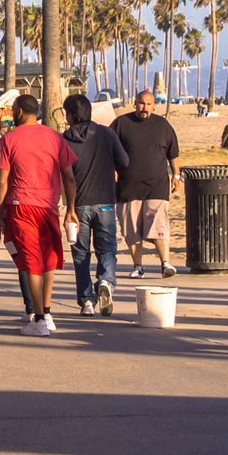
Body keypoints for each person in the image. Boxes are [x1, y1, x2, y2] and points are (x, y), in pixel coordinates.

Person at [0, 94, 76, 336]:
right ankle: (46, 314)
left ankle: (38, 320)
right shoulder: (55, 138)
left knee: (31, 261)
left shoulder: (8, 139)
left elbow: (1, 183)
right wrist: (70, 210)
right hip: (49, 206)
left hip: (21, 206)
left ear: (19, 112)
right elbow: (69, 177)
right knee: (48, 258)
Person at [62, 92, 124, 318]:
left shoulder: (64, 139)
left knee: (80, 254)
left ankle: (87, 302)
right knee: (106, 247)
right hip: (105, 201)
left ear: (70, 115)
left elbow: (63, 174)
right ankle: (106, 281)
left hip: (77, 205)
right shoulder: (106, 133)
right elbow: (124, 161)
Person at [112, 90, 181, 278]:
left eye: (148, 104)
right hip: (127, 186)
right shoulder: (121, 124)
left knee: (159, 224)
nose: (145, 107)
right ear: (135, 103)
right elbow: (109, 150)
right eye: (141, 103)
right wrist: (113, 171)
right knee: (131, 228)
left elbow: (173, 154)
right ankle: (138, 267)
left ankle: (165, 263)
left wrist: (176, 176)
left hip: (157, 184)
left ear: (154, 106)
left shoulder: (163, 125)